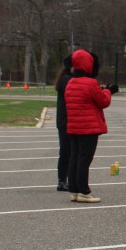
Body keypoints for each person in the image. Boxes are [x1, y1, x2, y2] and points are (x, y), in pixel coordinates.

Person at [65, 50, 117, 203]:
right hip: (88, 128)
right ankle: (84, 191)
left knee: (74, 158)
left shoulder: (70, 83)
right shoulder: (90, 83)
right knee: (84, 160)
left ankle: (74, 190)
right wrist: (108, 91)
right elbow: (103, 101)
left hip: (74, 126)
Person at [53, 55, 73, 191]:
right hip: (65, 120)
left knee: (70, 152)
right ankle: (62, 180)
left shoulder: (68, 78)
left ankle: (68, 179)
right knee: (66, 151)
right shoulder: (66, 80)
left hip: (68, 120)